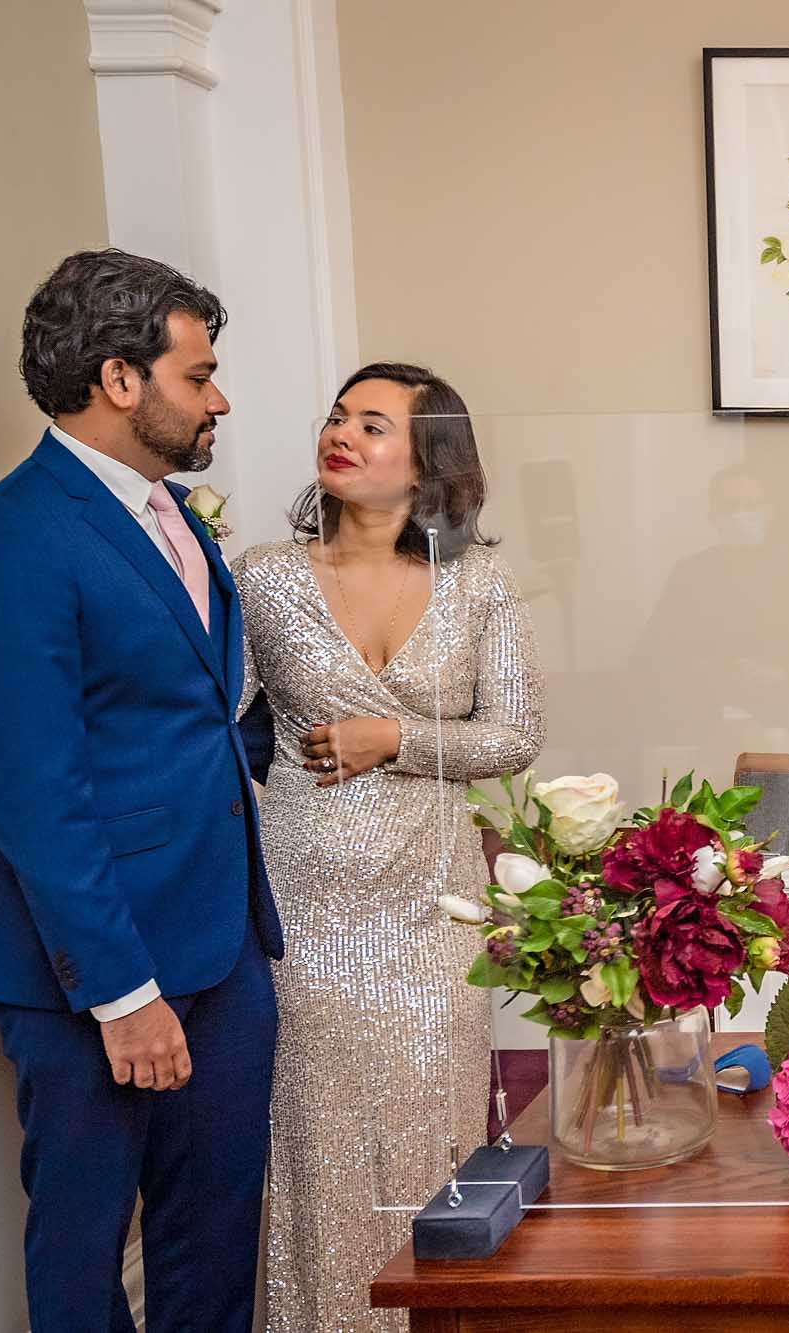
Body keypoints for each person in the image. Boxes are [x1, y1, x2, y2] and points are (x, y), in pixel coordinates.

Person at [0, 249, 281, 1331]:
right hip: (90, 966)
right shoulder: (10, 534)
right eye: (198, 373)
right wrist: (122, 994)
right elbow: (33, 785)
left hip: (222, 941)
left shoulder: (173, 512)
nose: (218, 396)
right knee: (86, 1253)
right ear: (118, 380)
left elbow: (197, 710)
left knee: (215, 1234)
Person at [233, 362, 545, 1331]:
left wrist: (395, 739)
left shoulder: (477, 583)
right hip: (306, 911)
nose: (342, 433)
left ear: (426, 462)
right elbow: (201, 727)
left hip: (430, 911)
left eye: (373, 424)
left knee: (431, 1142)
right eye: (337, 416)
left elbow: (515, 736)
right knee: (319, 1149)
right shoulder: (261, 577)